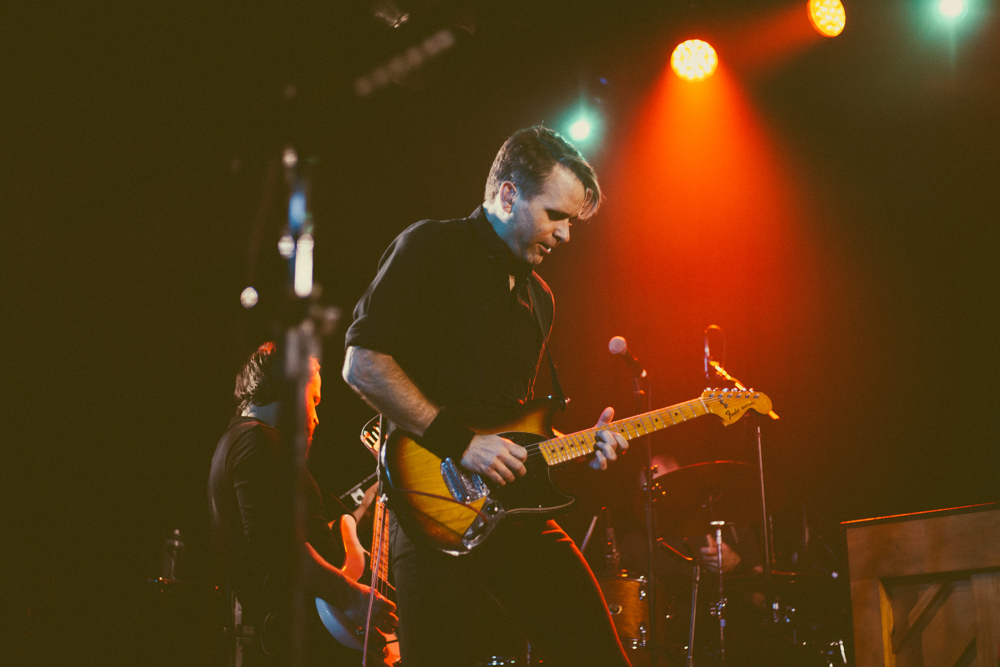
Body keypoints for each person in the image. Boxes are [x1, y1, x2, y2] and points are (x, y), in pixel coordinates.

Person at [342, 126, 632, 666]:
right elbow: (362, 363)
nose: (566, 234)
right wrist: (462, 443)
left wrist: (579, 447)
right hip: (432, 512)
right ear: (508, 195)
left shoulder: (540, 298)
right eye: (556, 215)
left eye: (572, 221)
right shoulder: (431, 247)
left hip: (513, 512)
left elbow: (510, 427)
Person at [209, 342, 397, 665]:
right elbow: (278, 546)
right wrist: (351, 597)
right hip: (311, 638)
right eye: (314, 400)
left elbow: (298, 532)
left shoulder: (246, 441)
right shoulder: (255, 441)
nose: (317, 418)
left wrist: (362, 515)